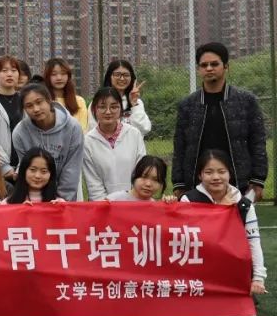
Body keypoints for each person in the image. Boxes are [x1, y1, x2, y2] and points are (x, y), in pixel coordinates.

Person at [172, 42, 268, 200]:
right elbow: (180, 146)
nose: (209, 68)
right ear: (198, 69)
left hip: (239, 183)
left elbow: (258, 142)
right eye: (204, 65)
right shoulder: (187, 105)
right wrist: (179, 183)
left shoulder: (246, 101)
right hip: (196, 184)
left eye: (214, 64)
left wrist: (258, 179)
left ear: (226, 67)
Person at [180, 149, 266, 296]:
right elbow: (187, 240)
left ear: (229, 173)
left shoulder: (244, 205)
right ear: (200, 175)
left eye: (221, 171)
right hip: (197, 272)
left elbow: (253, 242)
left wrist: (258, 278)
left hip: (232, 271)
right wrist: (221, 210)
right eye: (208, 172)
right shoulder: (188, 200)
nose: (216, 177)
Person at [12, 83, 84, 201]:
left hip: (65, 198)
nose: (36, 109)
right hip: (34, 198)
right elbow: (26, 168)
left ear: (49, 100)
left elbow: (72, 168)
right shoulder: (19, 133)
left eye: (39, 102)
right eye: (29, 106)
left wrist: (62, 200)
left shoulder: (73, 127)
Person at [83, 87, 146, 200]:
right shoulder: (88, 141)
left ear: (121, 109)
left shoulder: (134, 134)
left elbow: (141, 173)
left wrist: (132, 200)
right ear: (94, 110)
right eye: (102, 107)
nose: (108, 112)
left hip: (133, 203)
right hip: (102, 205)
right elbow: (93, 184)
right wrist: (106, 205)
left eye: (113, 107)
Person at [101, 60, 152, 135]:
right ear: (109, 77)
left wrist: (134, 105)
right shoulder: (99, 103)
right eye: (117, 74)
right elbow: (92, 131)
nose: (122, 78)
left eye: (126, 75)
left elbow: (144, 129)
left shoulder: (137, 102)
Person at [44, 58, 89, 131]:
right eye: (54, 74)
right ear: (47, 77)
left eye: (63, 73)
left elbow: (82, 129)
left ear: (68, 76)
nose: (59, 78)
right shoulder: (43, 101)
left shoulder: (79, 101)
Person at [106, 156, 170, 202]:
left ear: (161, 184)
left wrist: (168, 206)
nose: (148, 184)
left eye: (155, 180)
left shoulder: (155, 207)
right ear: (135, 175)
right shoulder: (114, 200)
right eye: (144, 177)